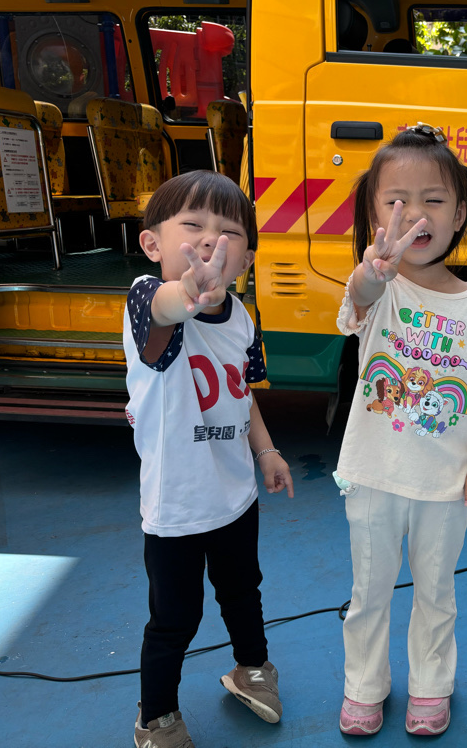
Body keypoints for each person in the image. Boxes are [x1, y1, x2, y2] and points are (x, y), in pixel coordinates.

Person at [333, 124, 467, 737]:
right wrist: (373, 271)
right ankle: (364, 685)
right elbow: (359, 294)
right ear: (374, 215)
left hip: (444, 483)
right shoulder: (379, 287)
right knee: (369, 591)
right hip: (373, 475)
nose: (415, 215)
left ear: (459, 213)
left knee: (437, 592)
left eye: (433, 200)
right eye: (397, 201)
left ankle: (432, 685)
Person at [123, 169, 294, 748]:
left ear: (247, 256)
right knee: (175, 618)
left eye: (229, 233)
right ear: (153, 243)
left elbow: (242, 392)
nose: (209, 240)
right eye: (192, 225)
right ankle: (157, 717)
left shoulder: (243, 316)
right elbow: (169, 305)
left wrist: (266, 450)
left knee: (244, 590)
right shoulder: (147, 298)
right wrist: (190, 291)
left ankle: (253, 668)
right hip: (176, 506)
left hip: (235, 494)